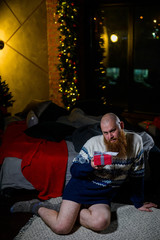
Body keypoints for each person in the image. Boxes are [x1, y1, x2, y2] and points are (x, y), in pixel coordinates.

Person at [10, 113, 157, 235]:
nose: (109, 136)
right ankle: (36, 206)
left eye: (113, 131)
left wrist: (138, 203)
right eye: (105, 132)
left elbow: (137, 175)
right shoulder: (93, 143)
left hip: (102, 195)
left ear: (122, 126)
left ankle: (66, 212)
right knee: (61, 228)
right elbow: (74, 171)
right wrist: (91, 165)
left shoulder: (136, 142)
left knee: (101, 223)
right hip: (80, 189)